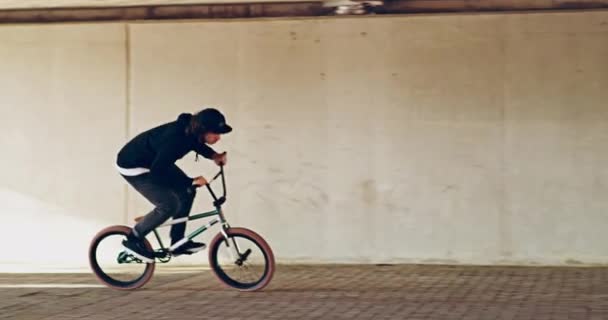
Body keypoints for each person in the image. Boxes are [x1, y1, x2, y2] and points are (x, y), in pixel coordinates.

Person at [115, 108, 232, 263]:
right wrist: (189, 181)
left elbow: (195, 144)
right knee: (169, 205)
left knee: (188, 191)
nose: (218, 138)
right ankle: (133, 238)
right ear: (203, 130)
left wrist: (213, 156)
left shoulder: (190, 132)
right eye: (216, 133)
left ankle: (177, 243)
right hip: (133, 165)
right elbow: (157, 173)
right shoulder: (175, 139)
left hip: (154, 161)